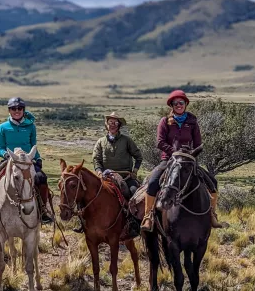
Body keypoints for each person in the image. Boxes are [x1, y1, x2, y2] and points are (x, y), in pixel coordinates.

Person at [141, 90, 222, 232]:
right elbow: (159, 142)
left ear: (185, 104)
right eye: (176, 103)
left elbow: (198, 143)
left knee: (212, 183)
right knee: (153, 181)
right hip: (169, 160)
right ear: (171, 105)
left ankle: (212, 215)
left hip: (187, 161)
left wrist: (190, 155)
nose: (179, 105)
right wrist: (174, 153)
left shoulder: (192, 121)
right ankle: (148, 216)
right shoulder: (165, 121)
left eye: (181, 103)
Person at [72, 112, 144, 234]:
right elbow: (96, 159)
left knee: (134, 192)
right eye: (110, 122)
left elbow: (138, 157)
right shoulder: (100, 142)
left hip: (125, 176)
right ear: (107, 124)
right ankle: (83, 222)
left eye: (115, 122)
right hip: (105, 177)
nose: (112, 125)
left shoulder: (127, 141)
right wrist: (99, 172)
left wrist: (135, 171)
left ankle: (135, 223)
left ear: (119, 125)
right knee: (84, 194)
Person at [0, 97, 53, 224]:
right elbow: (0, 147)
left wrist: (37, 158)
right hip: (10, 160)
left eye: (19, 108)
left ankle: (43, 210)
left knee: (41, 178)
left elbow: (33, 144)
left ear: (23, 110)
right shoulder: (2, 127)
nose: (17, 111)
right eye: (13, 108)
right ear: (9, 110)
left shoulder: (30, 126)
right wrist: (5, 155)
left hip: (27, 161)